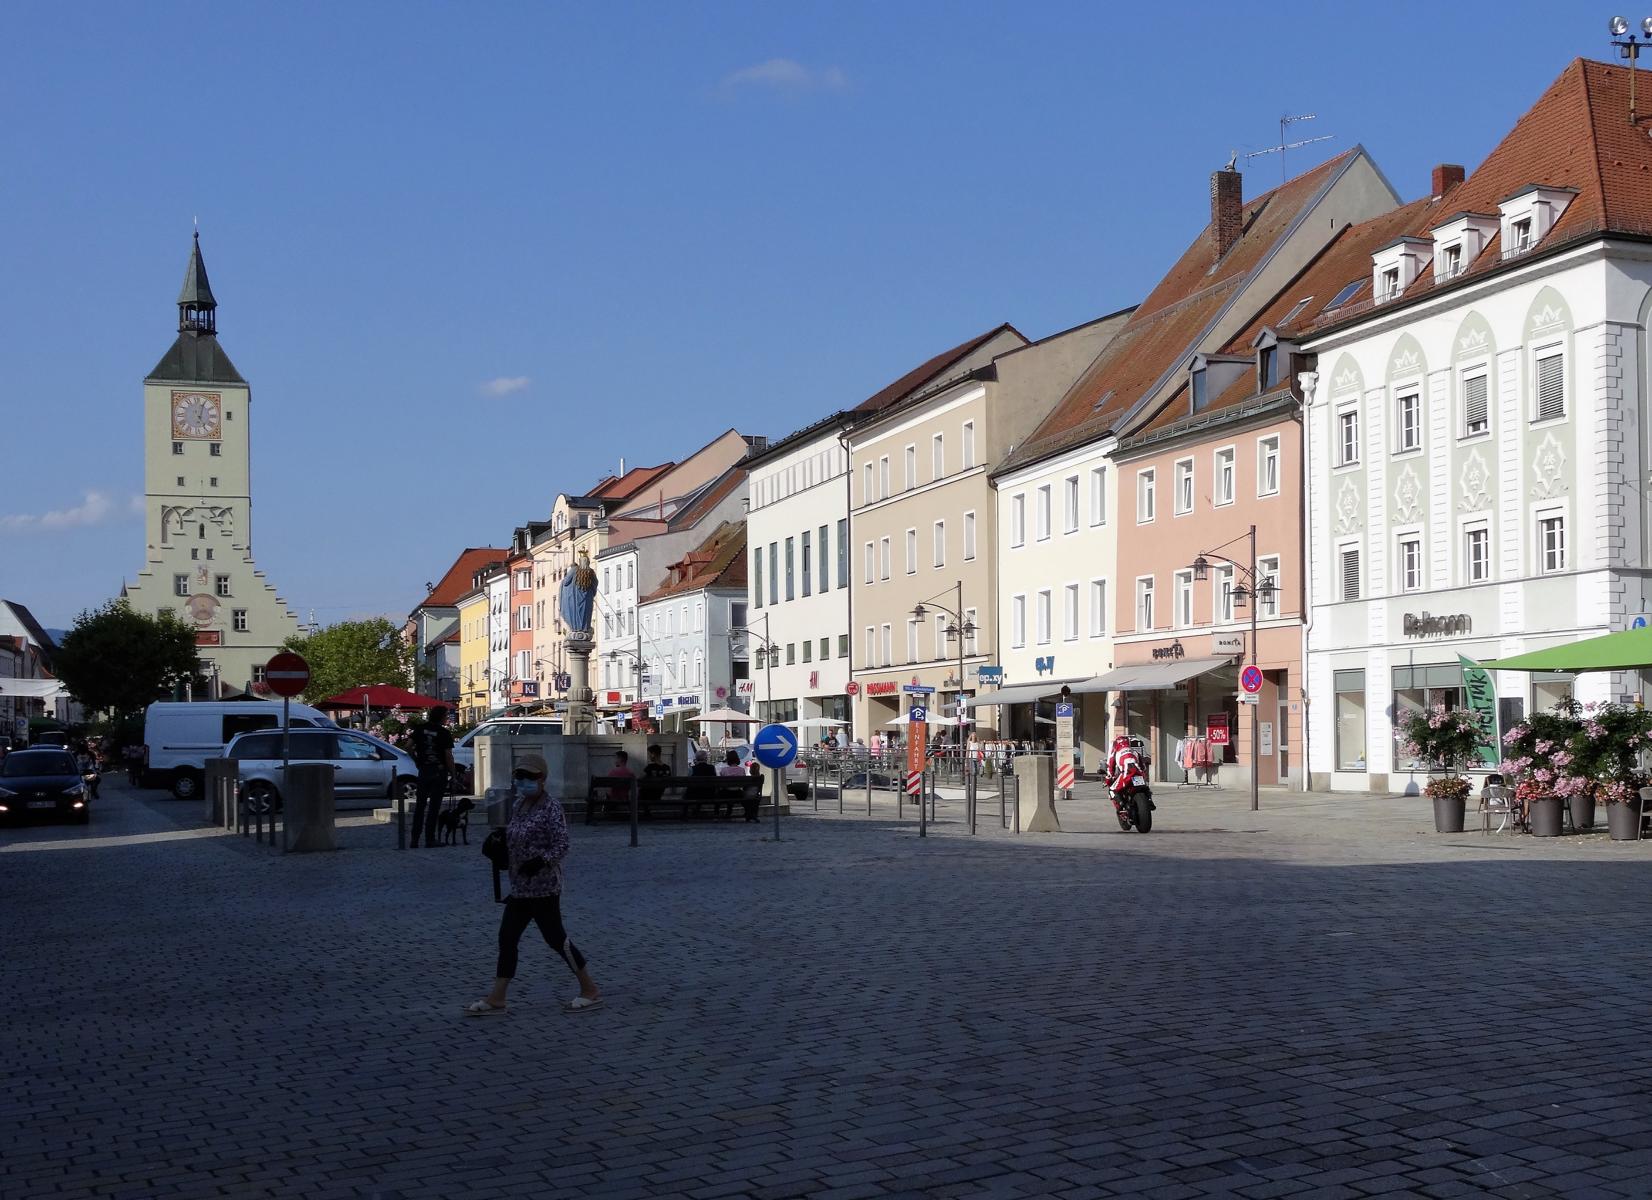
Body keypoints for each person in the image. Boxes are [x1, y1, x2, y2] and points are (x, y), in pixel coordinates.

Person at [465, 754, 601, 1016]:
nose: (524, 781)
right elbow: (515, 834)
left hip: (543, 888)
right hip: (519, 888)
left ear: (543, 779)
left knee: (556, 940)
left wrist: (541, 861)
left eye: (531, 777)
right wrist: (500, 844)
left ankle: (590, 989)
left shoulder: (551, 808)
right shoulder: (519, 805)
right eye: (520, 777)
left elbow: (562, 844)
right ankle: (497, 998)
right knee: (507, 938)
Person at [407, 706, 455, 849]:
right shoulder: (443, 733)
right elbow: (448, 755)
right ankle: (429, 839)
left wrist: (416, 760)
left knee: (420, 806)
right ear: (441, 717)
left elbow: (408, 746)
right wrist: (453, 774)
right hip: (438, 772)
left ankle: (414, 839)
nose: (447, 718)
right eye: (446, 716)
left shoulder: (419, 729)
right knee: (434, 807)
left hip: (424, 771)